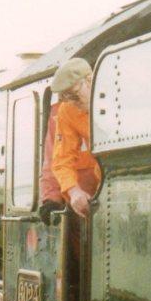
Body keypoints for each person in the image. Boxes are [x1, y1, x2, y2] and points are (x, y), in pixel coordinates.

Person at [49, 57, 101, 218]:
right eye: (66, 97)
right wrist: (74, 191)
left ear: (90, 81)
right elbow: (62, 159)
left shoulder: (117, 96)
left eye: (75, 94)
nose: (72, 102)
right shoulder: (67, 110)